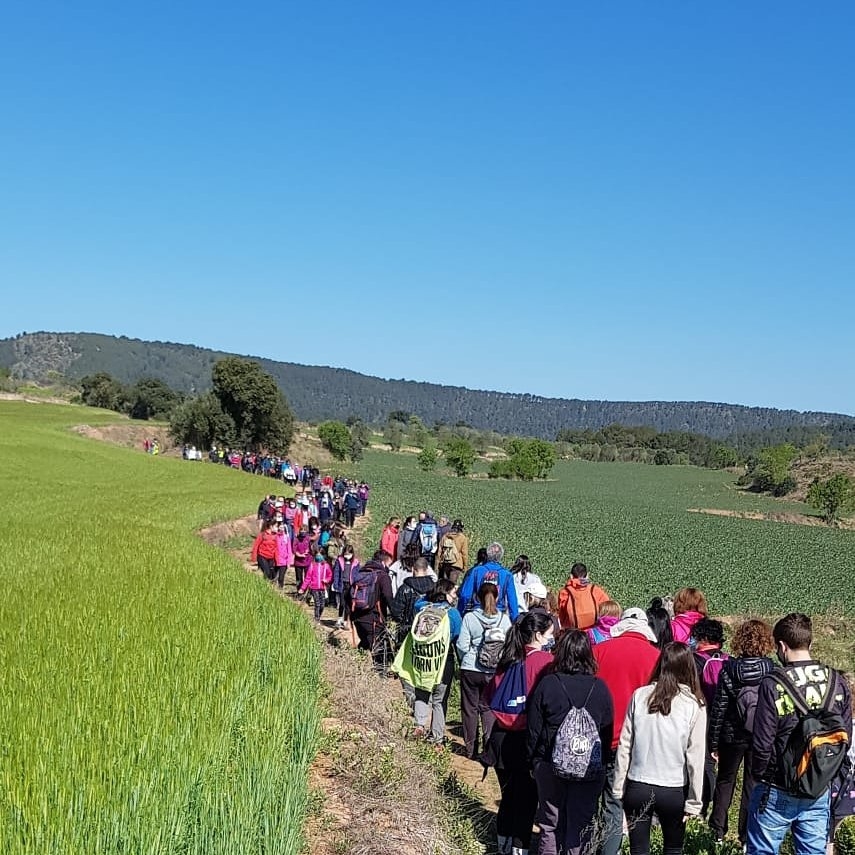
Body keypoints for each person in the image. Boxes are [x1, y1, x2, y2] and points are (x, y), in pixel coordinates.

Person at [747, 613, 852, 855]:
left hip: (777, 785)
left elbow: (762, 742)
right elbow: (845, 736)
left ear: (781, 646)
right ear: (810, 644)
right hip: (818, 786)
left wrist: (761, 777)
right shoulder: (836, 681)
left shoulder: (772, 683)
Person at [613, 642, 707, 855]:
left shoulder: (640, 696)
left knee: (638, 849)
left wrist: (619, 787)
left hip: (638, 784)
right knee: (673, 848)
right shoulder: (694, 705)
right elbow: (696, 758)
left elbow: (625, 744)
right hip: (673, 789)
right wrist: (694, 802)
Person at [527, 630, 614, 855]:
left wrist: (534, 762)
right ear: (588, 654)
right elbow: (606, 732)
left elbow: (534, 729)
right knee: (580, 824)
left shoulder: (548, 684)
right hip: (588, 768)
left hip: (549, 763)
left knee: (549, 824)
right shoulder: (600, 688)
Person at [482, 611, 555, 855]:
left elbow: (489, 697)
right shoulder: (545, 662)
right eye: (549, 634)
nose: (551, 638)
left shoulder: (508, 659)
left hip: (500, 740)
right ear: (537, 634)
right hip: (528, 741)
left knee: (509, 796)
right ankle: (519, 848)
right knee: (526, 801)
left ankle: (502, 844)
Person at [593, 607, 661, 855]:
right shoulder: (656, 657)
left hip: (596, 738)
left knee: (589, 802)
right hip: (634, 744)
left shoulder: (598, 651)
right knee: (615, 804)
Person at [708, 618, 775, 846]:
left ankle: (717, 831)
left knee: (725, 781)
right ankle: (747, 836)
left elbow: (719, 708)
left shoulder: (729, 669)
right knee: (753, 783)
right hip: (760, 734)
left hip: (731, 734)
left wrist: (713, 742)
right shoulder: (772, 670)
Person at [392, 579, 462, 747]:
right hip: (443, 660)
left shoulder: (422, 609)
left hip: (422, 660)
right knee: (439, 700)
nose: (455, 597)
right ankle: (437, 739)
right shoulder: (452, 614)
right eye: (453, 593)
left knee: (422, 692)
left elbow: (419, 601)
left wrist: (432, 595)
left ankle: (419, 725)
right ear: (445, 594)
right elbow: (457, 638)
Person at [456, 581, 512, 760]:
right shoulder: (504, 619)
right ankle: (489, 748)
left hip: (471, 668)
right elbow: (508, 646)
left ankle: (470, 749)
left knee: (469, 709)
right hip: (494, 671)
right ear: (496, 598)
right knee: (488, 709)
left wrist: (468, 658)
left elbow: (462, 645)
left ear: (478, 598)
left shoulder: (470, 618)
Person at [349, 549, 394, 664]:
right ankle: (380, 676)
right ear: (383, 563)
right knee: (379, 650)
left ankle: (357, 667)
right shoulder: (383, 576)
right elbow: (388, 597)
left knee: (365, 643)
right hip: (374, 618)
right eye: (389, 564)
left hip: (357, 616)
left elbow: (347, 594)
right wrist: (396, 614)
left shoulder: (361, 572)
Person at [457, 542, 520, 621]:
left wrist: (459, 613)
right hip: (498, 614)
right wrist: (515, 620)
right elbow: (512, 600)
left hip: (478, 612)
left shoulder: (476, 571)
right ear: (501, 556)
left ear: (488, 554)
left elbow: (465, 595)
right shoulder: (507, 575)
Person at [390, 557, 436, 644]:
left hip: (408, 630)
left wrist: (402, 622)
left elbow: (396, 612)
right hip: (429, 631)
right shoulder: (434, 588)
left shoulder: (404, 588)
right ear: (426, 570)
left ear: (413, 569)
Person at [557, 563, 610, 630]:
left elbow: (561, 614)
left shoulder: (565, 592)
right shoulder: (594, 590)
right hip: (594, 631)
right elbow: (608, 607)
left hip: (573, 633)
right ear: (587, 575)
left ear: (571, 576)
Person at [299, 551, 332, 622]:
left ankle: (319, 616)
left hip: (322, 588)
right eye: (317, 554)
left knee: (322, 604)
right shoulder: (312, 565)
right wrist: (302, 588)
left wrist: (326, 580)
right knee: (317, 604)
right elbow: (308, 578)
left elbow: (330, 575)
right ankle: (316, 619)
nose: (318, 556)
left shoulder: (326, 566)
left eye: (320, 554)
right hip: (314, 588)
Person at [332, 544, 359, 630]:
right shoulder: (339, 561)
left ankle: (345, 621)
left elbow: (358, 574)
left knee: (348, 604)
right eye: (345, 554)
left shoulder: (356, 562)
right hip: (342, 584)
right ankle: (339, 619)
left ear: (352, 553)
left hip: (351, 585)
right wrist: (335, 583)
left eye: (349, 554)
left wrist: (357, 585)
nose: (347, 556)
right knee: (342, 603)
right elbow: (336, 572)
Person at [273, 519, 294, 589]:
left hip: (284, 561)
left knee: (281, 578)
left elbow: (289, 550)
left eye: (283, 527)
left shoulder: (286, 538)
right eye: (280, 527)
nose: (281, 529)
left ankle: (280, 590)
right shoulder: (275, 537)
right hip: (276, 560)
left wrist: (289, 562)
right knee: (273, 577)